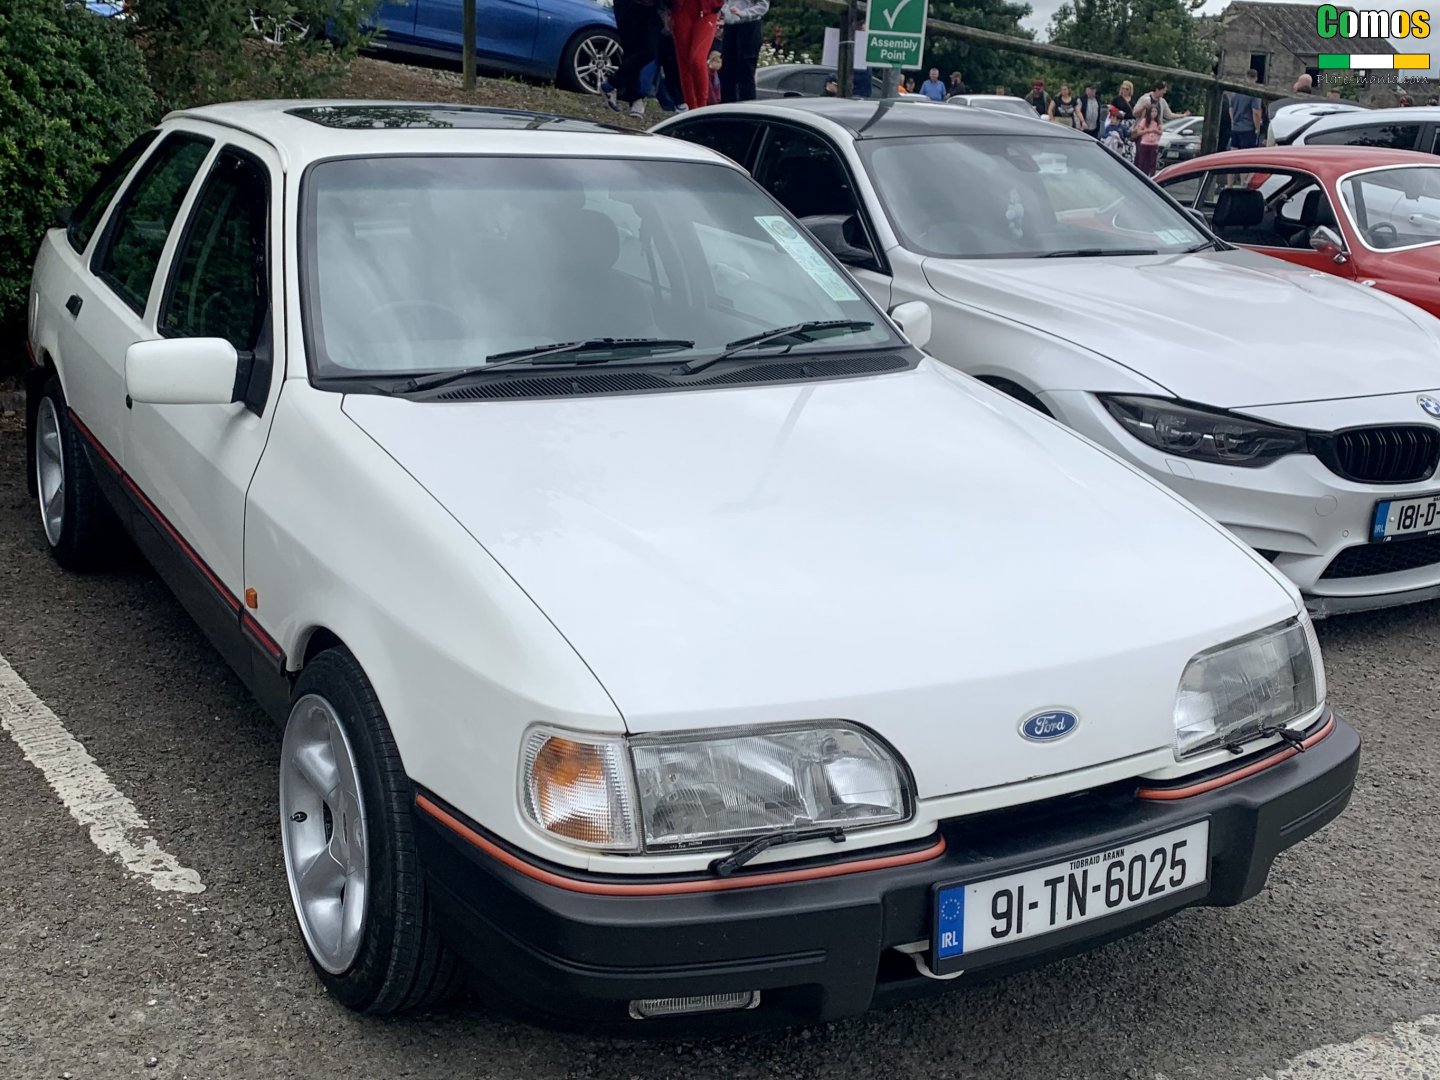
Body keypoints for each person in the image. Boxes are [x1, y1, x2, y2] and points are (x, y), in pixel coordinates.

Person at [601, 0, 662, 118]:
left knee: (650, 51)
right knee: (630, 50)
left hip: (653, 8)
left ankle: (610, 84)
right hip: (628, 5)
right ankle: (635, 99)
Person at [671, 0, 724, 112]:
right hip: (681, 8)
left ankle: (701, 108)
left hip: (708, 10)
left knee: (697, 60)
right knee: (684, 62)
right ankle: (691, 108)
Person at [719, 0, 766, 103]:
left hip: (749, 25)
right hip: (730, 26)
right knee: (726, 69)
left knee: (746, 69)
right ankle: (726, 108)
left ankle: (747, 107)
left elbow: (763, 6)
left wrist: (743, 13)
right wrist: (725, 11)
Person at [1228, 68, 1264, 149]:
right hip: (1248, 129)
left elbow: (1230, 109)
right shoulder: (1254, 93)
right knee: (1246, 155)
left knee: (1233, 152)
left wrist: (1233, 121)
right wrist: (1257, 128)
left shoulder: (1235, 92)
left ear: (1246, 77)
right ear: (1256, 78)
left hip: (1235, 128)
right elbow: (1256, 112)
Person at [1132, 103, 1163, 175]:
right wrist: (1147, 131)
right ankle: (1140, 175)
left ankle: (1152, 176)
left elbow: (1161, 132)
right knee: (1142, 162)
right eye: (1152, 111)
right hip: (1145, 143)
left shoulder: (1157, 122)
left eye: (1155, 112)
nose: (1154, 113)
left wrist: (1156, 131)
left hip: (1154, 144)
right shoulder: (1144, 121)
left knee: (1152, 162)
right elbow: (1139, 132)